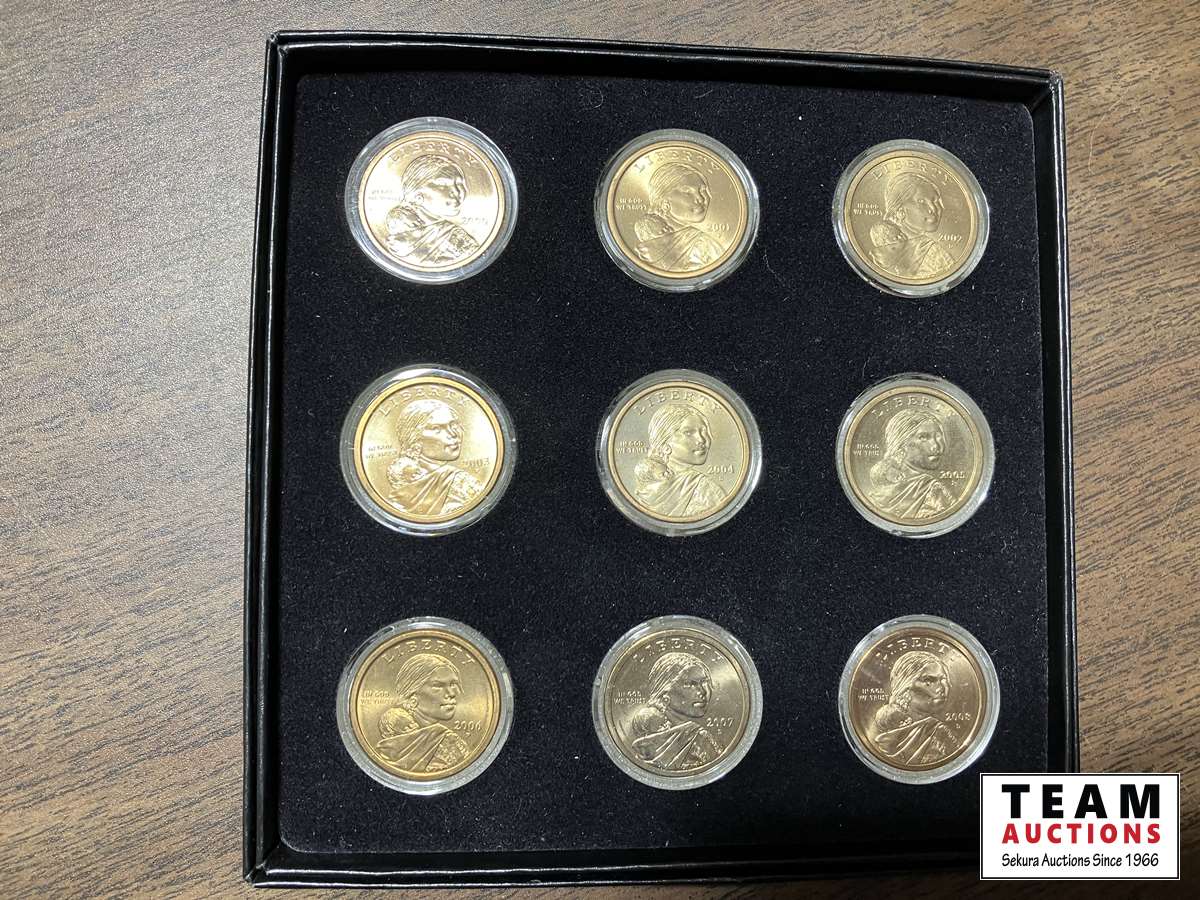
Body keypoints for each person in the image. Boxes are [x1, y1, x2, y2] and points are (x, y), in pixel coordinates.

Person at [375, 653, 471, 774]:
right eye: (437, 685)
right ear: (412, 692)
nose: (451, 693)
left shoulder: (390, 731)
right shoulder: (450, 744)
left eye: (452, 684)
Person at [386, 398, 483, 517]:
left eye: (453, 425)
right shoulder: (462, 483)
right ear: (413, 437)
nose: (453, 434)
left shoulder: (462, 482)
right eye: (437, 428)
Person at [629, 651, 723, 771]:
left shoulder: (698, 737)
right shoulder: (701, 740)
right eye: (689, 684)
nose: (703, 691)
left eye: (704, 682)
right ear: (664, 691)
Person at [382, 154, 480, 266]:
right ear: (416, 193)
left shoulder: (457, 238)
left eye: (459, 183)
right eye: (443, 184)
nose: (457, 191)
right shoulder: (397, 226)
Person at [866, 650, 960, 766]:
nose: (942, 687)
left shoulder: (939, 732)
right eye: (929, 680)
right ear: (905, 685)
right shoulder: (940, 735)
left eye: (943, 679)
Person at [634, 403, 726, 517]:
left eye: (704, 431)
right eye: (688, 432)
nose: (701, 439)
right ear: (664, 441)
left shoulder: (643, 490)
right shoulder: (706, 488)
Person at [866, 407, 956, 520]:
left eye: (938, 436)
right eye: (923, 437)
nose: (936, 446)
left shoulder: (874, 497)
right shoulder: (935, 491)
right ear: (900, 444)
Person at [633, 162, 725, 271]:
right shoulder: (704, 245)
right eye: (687, 192)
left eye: (703, 190)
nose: (701, 198)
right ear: (664, 201)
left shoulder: (703, 243)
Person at [880, 170, 957, 278]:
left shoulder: (935, 252)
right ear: (899, 210)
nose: (933, 208)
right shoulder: (883, 246)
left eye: (935, 201)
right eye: (921, 201)